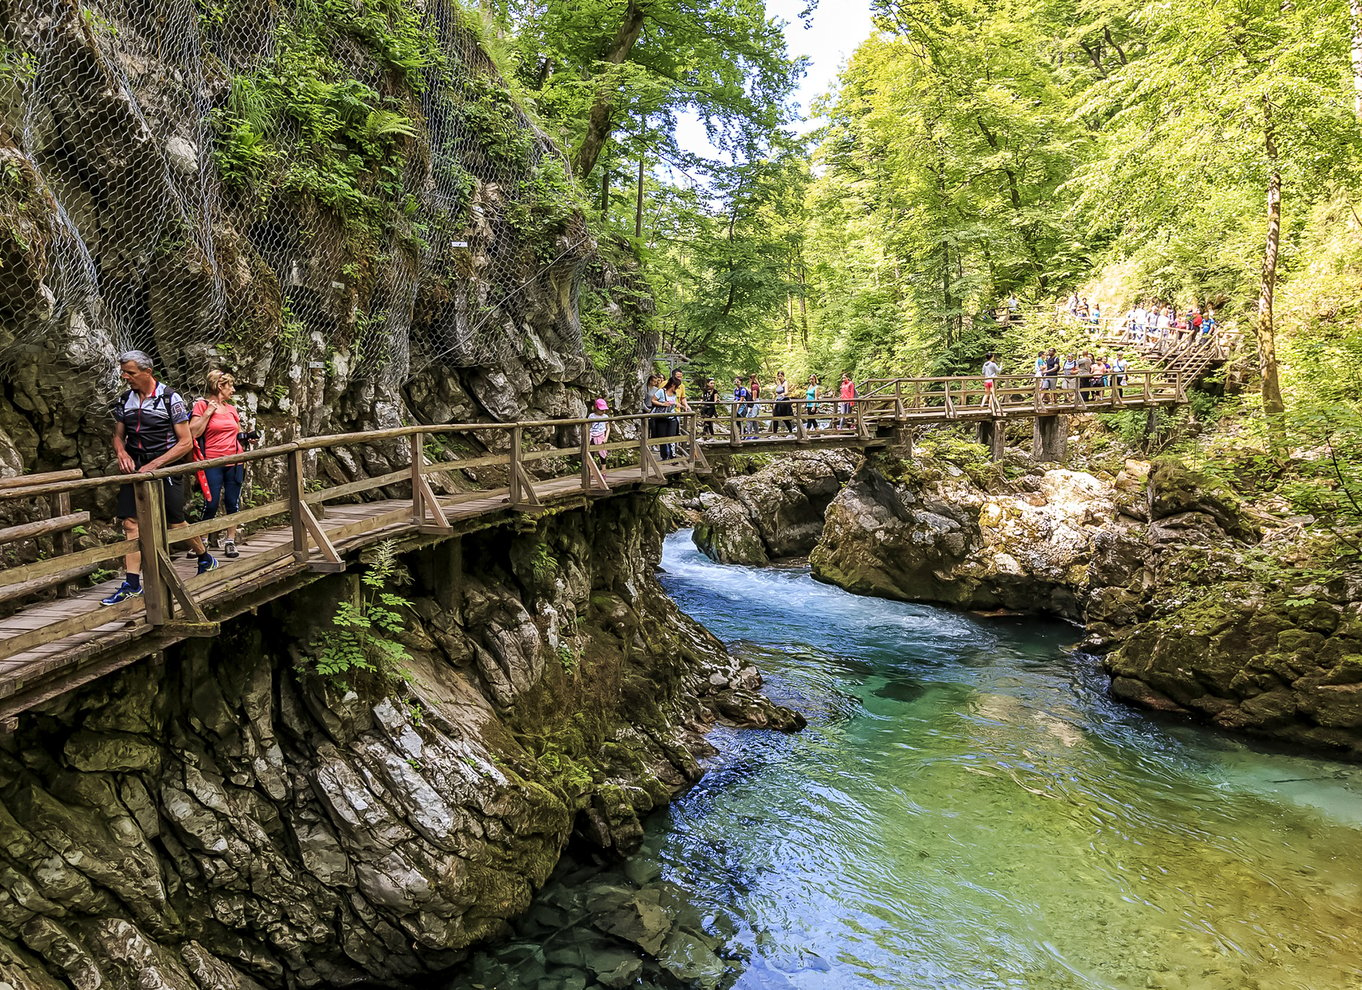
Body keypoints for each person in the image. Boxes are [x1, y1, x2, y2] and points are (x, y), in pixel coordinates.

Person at [101, 351, 218, 606]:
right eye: (124, 372)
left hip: (165, 465)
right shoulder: (125, 400)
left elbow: (186, 441)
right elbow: (118, 435)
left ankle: (204, 557)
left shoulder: (169, 398)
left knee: (175, 522)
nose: (125, 377)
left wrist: (155, 465)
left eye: (130, 372)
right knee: (131, 523)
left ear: (147, 372)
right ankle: (132, 584)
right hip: (136, 466)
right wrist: (121, 453)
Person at [189, 370, 247, 559]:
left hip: (235, 460)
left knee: (232, 501)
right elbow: (194, 432)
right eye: (230, 386)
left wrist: (247, 438)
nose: (233, 389)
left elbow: (238, 432)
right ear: (220, 386)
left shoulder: (231, 409)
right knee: (211, 502)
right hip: (211, 461)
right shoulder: (201, 405)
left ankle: (230, 540)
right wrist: (208, 413)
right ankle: (201, 541)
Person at [586, 398, 611, 464]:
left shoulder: (605, 416)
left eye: (604, 410)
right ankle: (590, 471)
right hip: (592, 435)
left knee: (602, 454)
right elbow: (588, 427)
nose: (603, 411)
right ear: (596, 408)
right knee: (591, 453)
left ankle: (604, 471)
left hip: (601, 435)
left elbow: (608, 428)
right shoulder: (591, 416)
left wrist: (606, 438)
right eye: (601, 410)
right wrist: (587, 437)